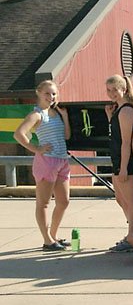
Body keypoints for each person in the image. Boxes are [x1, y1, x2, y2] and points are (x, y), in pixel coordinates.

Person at [14, 80, 71, 251]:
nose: (51, 97)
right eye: (47, 93)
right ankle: (47, 240)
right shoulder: (37, 114)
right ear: (38, 93)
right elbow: (19, 134)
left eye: (53, 93)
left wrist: (65, 117)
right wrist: (36, 148)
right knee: (43, 203)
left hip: (62, 160)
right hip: (47, 162)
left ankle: (53, 236)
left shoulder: (55, 112)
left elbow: (66, 136)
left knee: (64, 201)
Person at [104, 75, 133, 253]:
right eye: (108, 90)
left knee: (132, 200)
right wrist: (109, 117)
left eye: (115, 89)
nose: (111, 93)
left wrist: (125, 167)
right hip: (117, 159)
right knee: (120, 198)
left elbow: (127, 142)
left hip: (125, 161)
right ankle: (132, 233)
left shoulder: (127, 111)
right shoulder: (118, 110)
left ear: (124, 89)